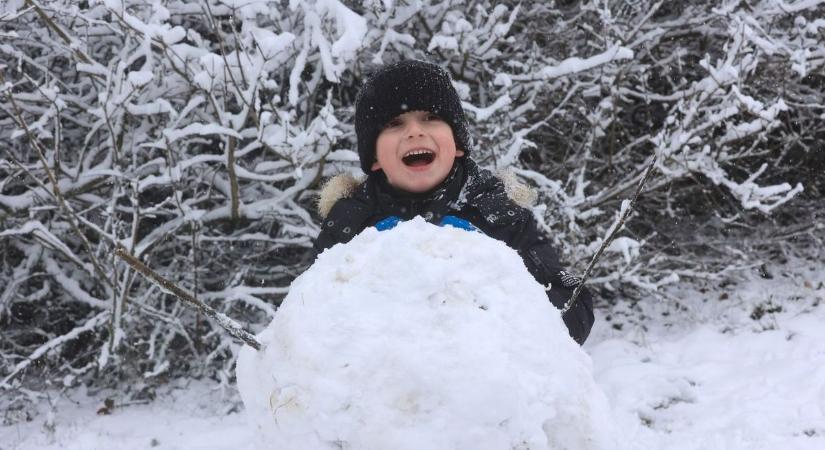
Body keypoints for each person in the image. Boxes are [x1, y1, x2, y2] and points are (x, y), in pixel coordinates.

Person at [313, 60, 594, 344]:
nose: (414, 132)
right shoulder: (350, 223)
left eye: (430, 118)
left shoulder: (498, 212)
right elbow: (307, 314)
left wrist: (506, 317)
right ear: (373, 158)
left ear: (457, 144)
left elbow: (570, 300)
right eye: (394, 124)